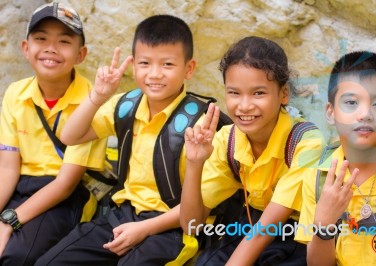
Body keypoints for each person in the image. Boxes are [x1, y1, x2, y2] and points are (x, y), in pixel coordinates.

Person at [35, 14, 204, 265]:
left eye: (167, 64)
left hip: (171, 227)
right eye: (145, 63)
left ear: (188, 68)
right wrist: (97, 96)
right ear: (134, 65)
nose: (154, 74)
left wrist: (145, 228)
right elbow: (70, 136)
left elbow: (200, 212)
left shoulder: (200, 125)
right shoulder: (126, 105)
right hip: (121, 216)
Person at [180, 36, 326, 265]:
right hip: (249, 225)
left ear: (284, 94)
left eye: (258, 93)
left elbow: (272, 223)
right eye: (234, 93)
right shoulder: (227, 139)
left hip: (298, 235)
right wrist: (194, 162)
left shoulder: (307, 143)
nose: (245, 105)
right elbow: (191, 224)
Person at [0, 2, 106, 266]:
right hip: (19, 185)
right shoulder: (15, 93)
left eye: (64, 41)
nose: (51, 48)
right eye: (41, 38)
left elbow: (66, 183)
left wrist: (8, 221)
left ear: (81, 54)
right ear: (26, 48)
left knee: (17, 255)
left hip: (63, 194)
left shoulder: (92, 101)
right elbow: (7, 169)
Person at [295, 51, 376, 265]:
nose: (365, 114)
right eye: (351, 103)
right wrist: (324, 226)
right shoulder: (318, 176)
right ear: (331, 112)